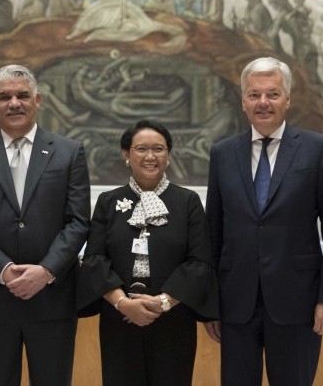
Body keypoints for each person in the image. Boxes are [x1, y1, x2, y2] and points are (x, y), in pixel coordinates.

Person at [203, 56, 323, 385]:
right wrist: (209, 304)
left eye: (272, 94)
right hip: (236, 302)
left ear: (287, 100)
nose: (263, 103)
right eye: (254, 95)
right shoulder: (222, 153)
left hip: (298, 301)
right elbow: (214, 231)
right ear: (243, 101)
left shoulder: (318, 149)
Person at [0, 64, 91, 386]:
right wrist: (3, 270)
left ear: (37, 100)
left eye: (22, 95)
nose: (14, 102)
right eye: (5, 96)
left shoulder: (69, 153)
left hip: (52, 299)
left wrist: (46, 271)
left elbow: (79, 222)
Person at [77, 119, 219, 386]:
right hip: (119, 319)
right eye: (141, 149)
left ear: (168, 155)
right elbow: (95, 260)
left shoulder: (187, 202)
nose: (150, 156)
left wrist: (162, 303)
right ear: (126, 155)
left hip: (174, 321)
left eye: (159, 149)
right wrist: (124, 304)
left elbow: (199, 263)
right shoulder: (108, 202)